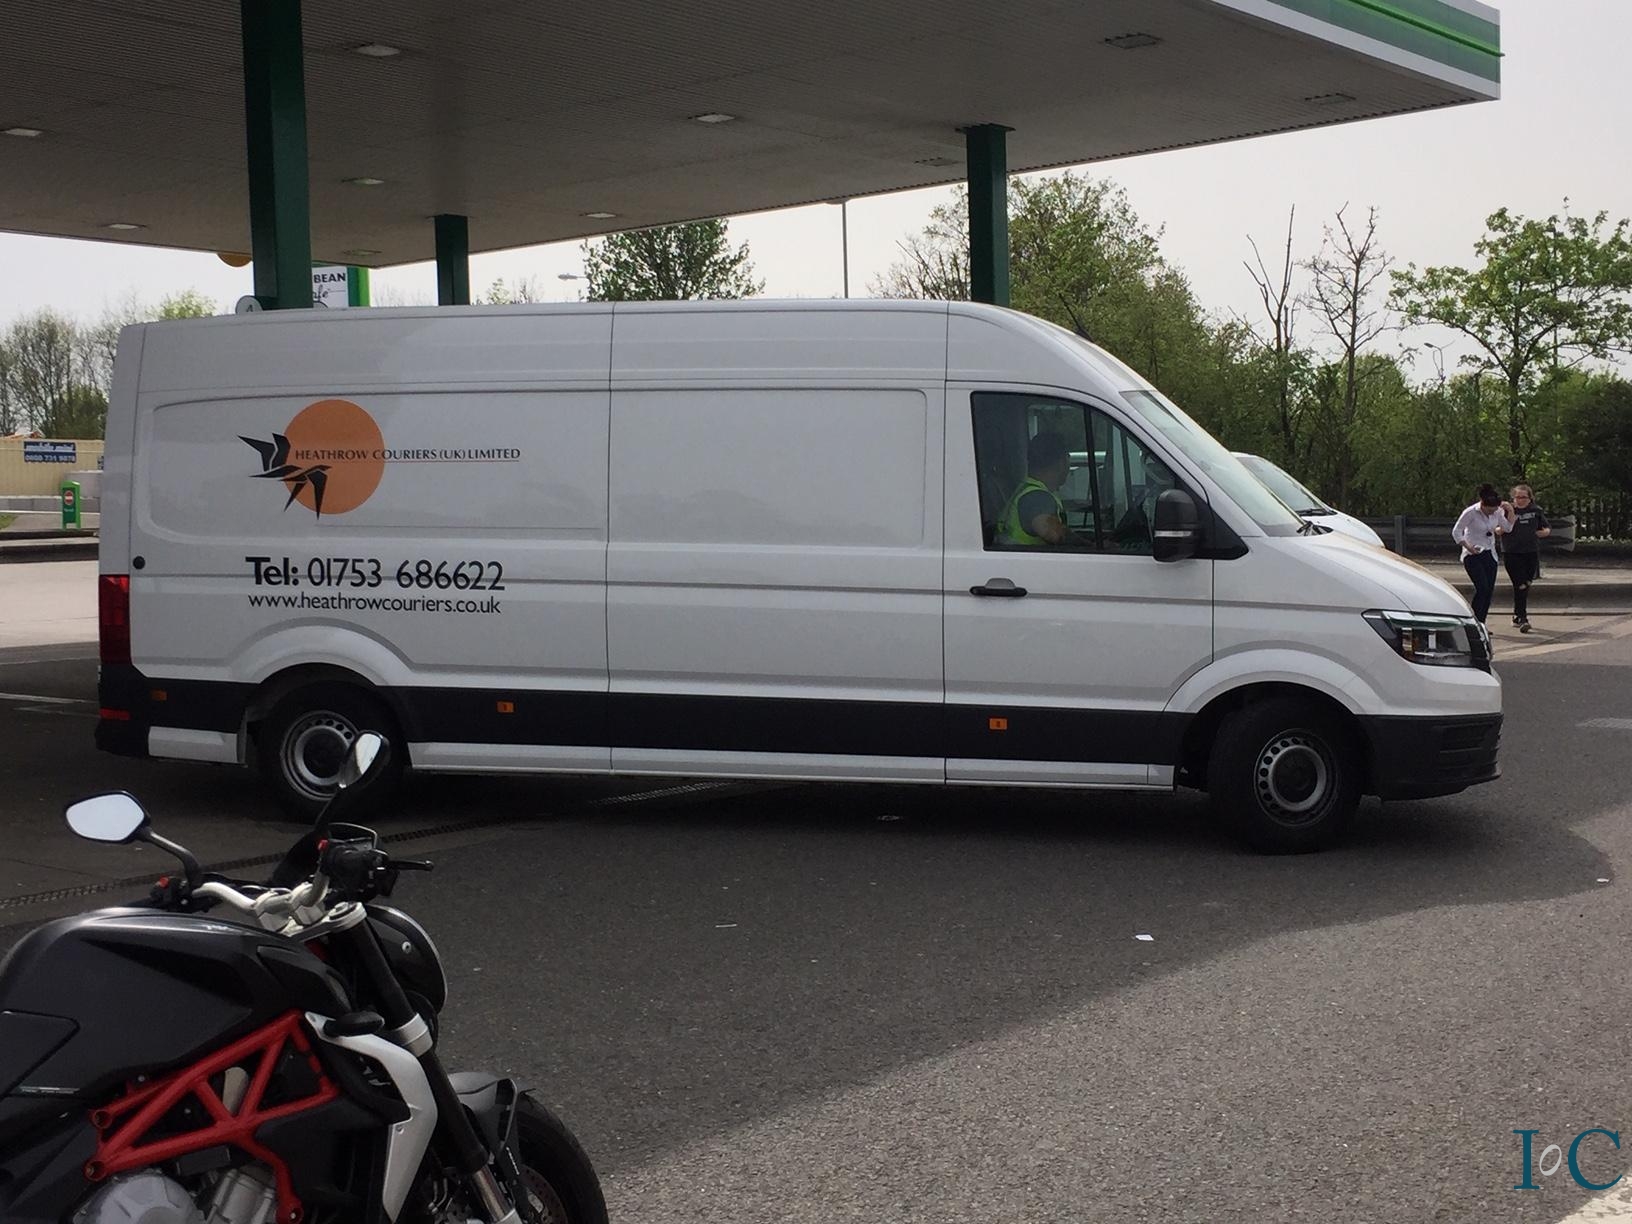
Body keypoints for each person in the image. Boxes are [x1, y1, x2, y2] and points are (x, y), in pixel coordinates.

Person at [996, 432, 1084, 547]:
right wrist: (1091, 546)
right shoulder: (1037, 498)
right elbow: (1052, 533)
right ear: (1061, 462)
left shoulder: (1028, 488)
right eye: (1068, 457)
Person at [1452, 483, 1509, 624]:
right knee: (1482, 588)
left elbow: (1507, 528)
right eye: (1489, 510)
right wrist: (1467, 545)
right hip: (1473, 554)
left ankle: (1482, 622)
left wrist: (1511, 512)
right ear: (1482, 504)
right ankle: (1474, 622)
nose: (1492, 512)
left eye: (1494, 509)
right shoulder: (1471, 512)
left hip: (1489, 553)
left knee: (1489, 591)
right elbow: (1456, 531)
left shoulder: (1497, 512)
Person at [1501, 483, 1551, 633]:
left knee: (1527, 583)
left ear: (1530, 498)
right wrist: (1500, 529)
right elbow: (1496, 527)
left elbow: (1545, 527)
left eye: (1524, 497)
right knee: (1520, 584)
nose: (1520, 500)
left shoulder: (1536, 511)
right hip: (1512, 552)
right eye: (1517, 497)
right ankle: (1522, 617)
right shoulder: (1506, 511)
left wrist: (1544, 532)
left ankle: (1517, 615)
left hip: (1530, 551)